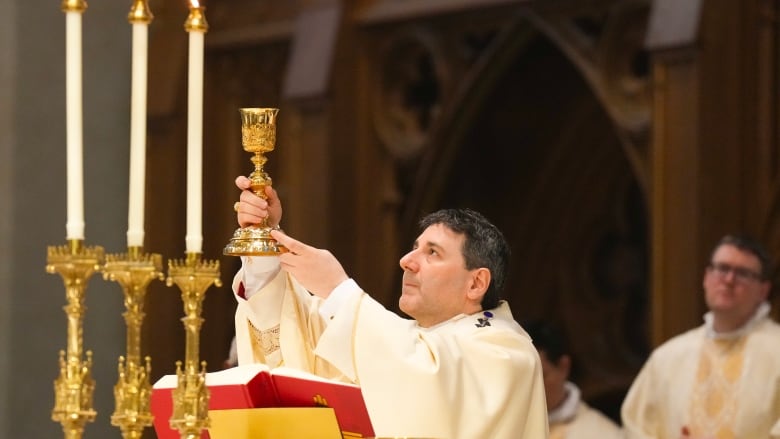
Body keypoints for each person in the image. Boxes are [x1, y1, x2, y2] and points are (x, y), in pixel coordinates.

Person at [230, 175, 549, 438]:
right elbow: (305, 343)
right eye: (414, 248)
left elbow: (428, 389)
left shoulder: (507, 354)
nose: (406, 261)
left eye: (433, 253)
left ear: (476, 283)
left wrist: (337, 289)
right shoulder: (391, 345)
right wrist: (264, 246)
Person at [621, 234, 780, 439]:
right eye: (722, 268)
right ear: (706, 277)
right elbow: (637, 427)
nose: (729, 280)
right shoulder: (667, 358)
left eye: (743, 273)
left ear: (763, 290)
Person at [525, 320, 623, 439]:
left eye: (540, 377)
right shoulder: (504, 421)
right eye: (521, 378)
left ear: (563, 367)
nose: (528, 387)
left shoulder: (603, 434)